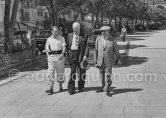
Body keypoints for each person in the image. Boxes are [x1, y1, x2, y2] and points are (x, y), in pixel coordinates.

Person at [95, 26, 121, 94]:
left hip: (109, 61)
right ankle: (104, 87)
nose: (103, 32)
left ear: (108, 31)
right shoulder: (98, 39)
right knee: (102, 75)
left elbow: (116, 50)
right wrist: (95, 61)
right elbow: (96, 51)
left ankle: (107, 88)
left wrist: (119, 59)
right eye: (102, 31)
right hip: (100, 61)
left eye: (105, 31)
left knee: (108, 75)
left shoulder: (112, 40)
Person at [66, 22, 89, 95]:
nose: (75, 30)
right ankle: (71, 89)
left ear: (79, 28)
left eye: (76, 28)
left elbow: (87, 47)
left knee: (82, 72)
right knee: (73, 72)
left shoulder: (83, 36)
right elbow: (67, 46)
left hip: (81, 56)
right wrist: (68, 54)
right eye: (74, 28)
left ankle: (81, 86)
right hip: (72, 55)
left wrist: (85, 55)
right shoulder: (69, 35)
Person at [45, 26, 66, 94]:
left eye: (57, 31)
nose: (56, 32)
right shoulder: (49, 39)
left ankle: (60, 86)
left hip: (59, 56)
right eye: (55, 31)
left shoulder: (61, 38)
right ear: (51, 31)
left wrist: (62, 55)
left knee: (60, 72)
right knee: (50, 72)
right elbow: (46, 48)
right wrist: (48, 56)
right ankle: (50, 87)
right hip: (52, 57)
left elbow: (64, 47)